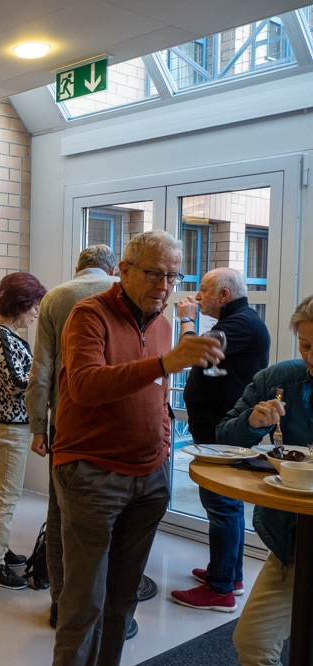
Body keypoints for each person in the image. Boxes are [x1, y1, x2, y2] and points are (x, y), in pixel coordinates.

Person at [51, 230, 223, 666]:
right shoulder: (89, 314)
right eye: (154, 274)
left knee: (123, 602)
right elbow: (84, 385)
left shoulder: (162, 326)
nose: (165, 286)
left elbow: (159, 396)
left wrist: (163, 450)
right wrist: (165, 362)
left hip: (149, 477)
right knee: (84, 603)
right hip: (93, 474)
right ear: (124, 271)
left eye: (173, 276)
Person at [217, 295, 313, 666]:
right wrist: (252, 423)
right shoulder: (279, 380)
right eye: (306, 345)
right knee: (254, 640)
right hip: (294, 543)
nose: (311, 357)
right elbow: (224, 436)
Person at [26, 245, 118, 622]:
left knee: (60, 512)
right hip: (116, 422)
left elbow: (41, 369)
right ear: (113, 268)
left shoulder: (56, 298)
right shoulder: (121, 293)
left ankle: (61, 603)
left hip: (65, 420)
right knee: (111, 516)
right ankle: (103, 605)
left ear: (77, 266)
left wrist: (37, 426)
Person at [170, 268, 269, 612]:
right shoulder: (236, 322)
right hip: (218, 428)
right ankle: (228, 574)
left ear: (224, 295)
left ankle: (220, 590)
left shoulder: (242, 323)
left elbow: (190, 353)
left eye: (204, 289)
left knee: (221, 505)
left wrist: (186, 319)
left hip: (222, 432)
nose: (197, 296)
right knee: (226, 504)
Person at [0, 271, 46, 589]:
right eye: (34, 307)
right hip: (6, 423)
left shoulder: (2, 333)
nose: (36, 313)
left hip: (4, 421)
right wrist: (47, 376)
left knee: (3, 492)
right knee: (5, 495)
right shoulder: (0, 335)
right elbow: (17, 382)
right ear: (20, 304)